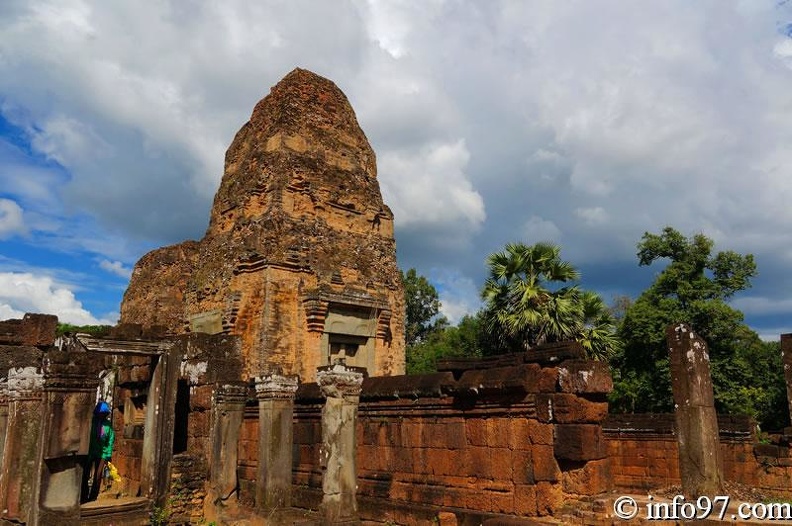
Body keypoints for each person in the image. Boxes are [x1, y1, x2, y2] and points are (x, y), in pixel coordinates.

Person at [81, 401, 115, 503]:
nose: (102, 415)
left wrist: (108, 455)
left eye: (104, 414)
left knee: (98, 475)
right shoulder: (91, 423)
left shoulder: (107, 426)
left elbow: (110, 440)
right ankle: (83, 495)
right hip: (90, 452)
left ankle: (93, 496)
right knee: (85, 474)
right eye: (100, 414)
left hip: (102, 453)